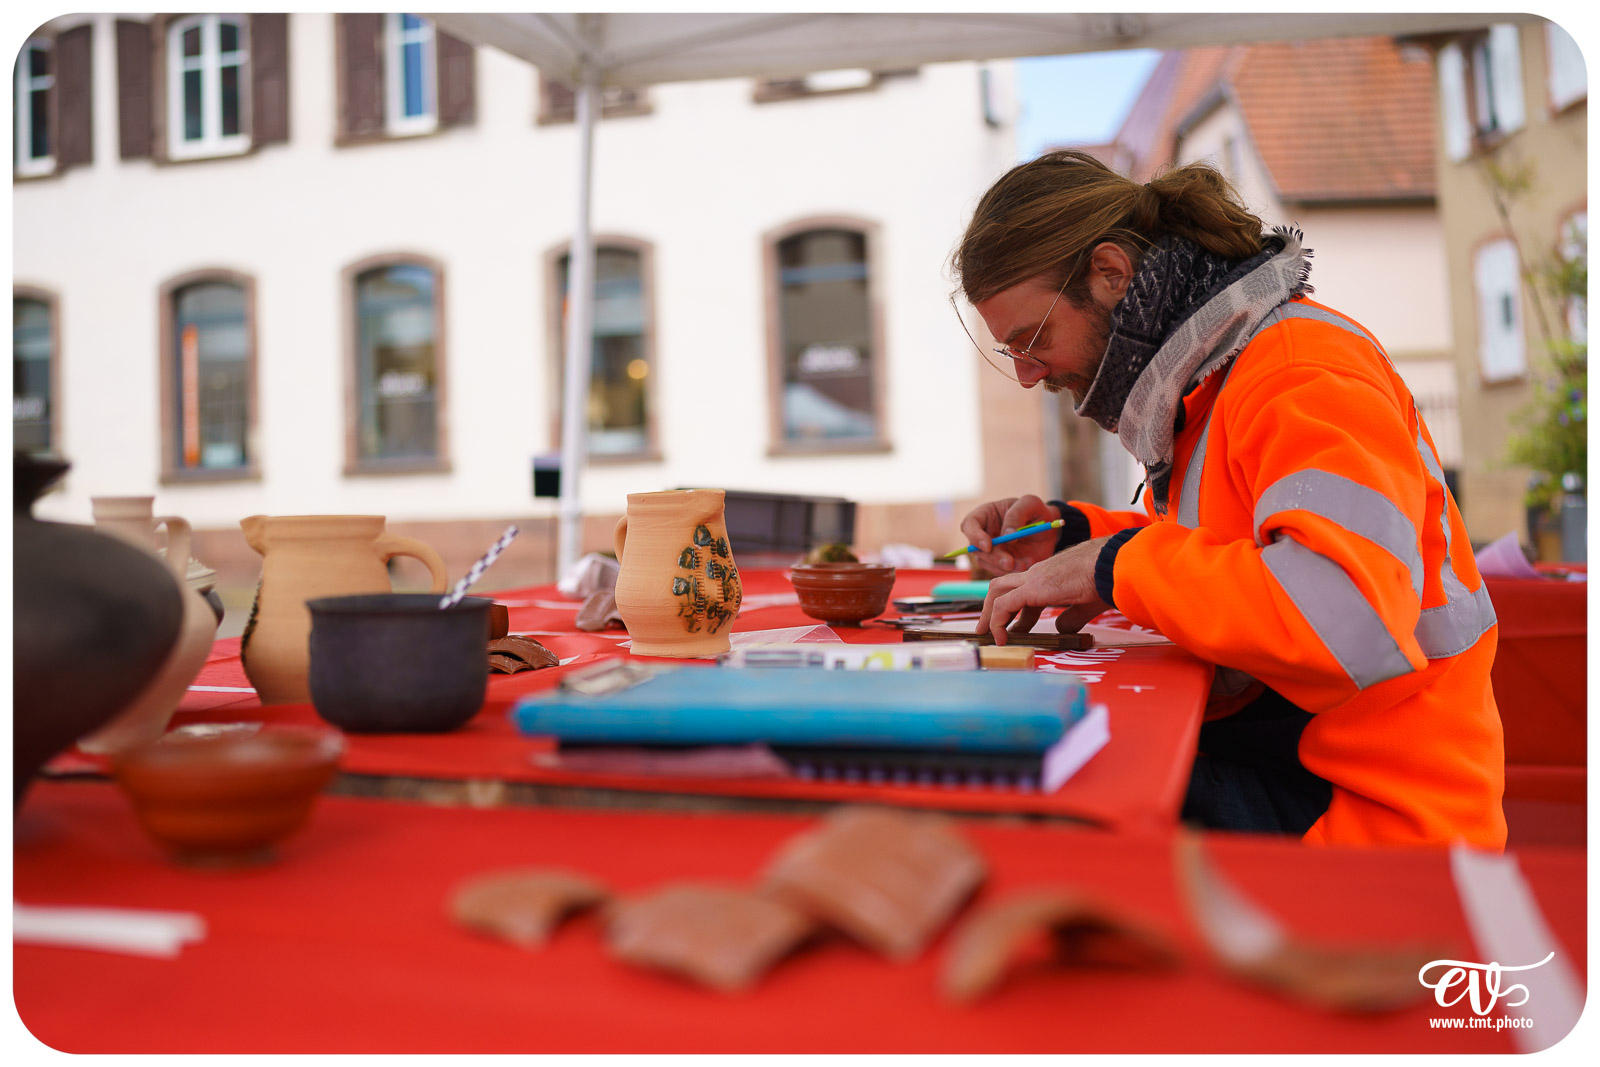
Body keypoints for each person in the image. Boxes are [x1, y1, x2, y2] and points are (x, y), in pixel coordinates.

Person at [951, 150, 1505, 849]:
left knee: (1030, 809)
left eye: (1033, 340)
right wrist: (1072, 536)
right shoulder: (1218, 373)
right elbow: (1232, 551)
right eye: (1012, 353)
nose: (1028, 375)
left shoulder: (1301, 370)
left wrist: (1114, 565)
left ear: (1112, 273)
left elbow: (1342, 614)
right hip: (1306, 765)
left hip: (1376, 816)